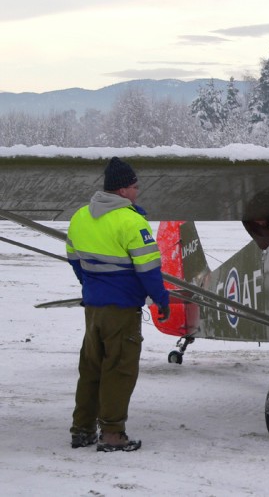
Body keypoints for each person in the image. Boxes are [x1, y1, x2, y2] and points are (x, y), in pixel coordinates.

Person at [66, 157, 171, 452]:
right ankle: (112, 433)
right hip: (122, 309)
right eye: (135, 186)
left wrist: (91, 286)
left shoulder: (80, 217)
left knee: (91, 367)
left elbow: (74, 260)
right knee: (120, 368)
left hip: (93, 307)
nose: (138, 191)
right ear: (123, 190)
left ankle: (81, 429)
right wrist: (161, 299)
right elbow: (149, 269)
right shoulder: (131, 221)